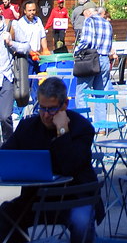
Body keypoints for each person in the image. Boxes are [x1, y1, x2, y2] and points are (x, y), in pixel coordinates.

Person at [0, 76, 103, 243]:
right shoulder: (28, 127)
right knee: (5, 214)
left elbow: (70, 166)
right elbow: (5, 156)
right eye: (42, 108)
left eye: (52, 109)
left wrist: (62, 130)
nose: (46, 115)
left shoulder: (82, 128)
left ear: (65, 105)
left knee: (81, 220)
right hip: (36, 198)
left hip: (76, 197)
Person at [73, 4, 116, 110]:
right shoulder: (107, 23)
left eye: (84, 14)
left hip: (91, 60)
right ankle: (101, 121)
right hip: (104, 59)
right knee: (101, 94)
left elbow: (86, 41)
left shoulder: (89, 21)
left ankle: (83, 120)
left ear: (87, 12)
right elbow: (109, 44)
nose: (84, 17)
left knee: (81, 93)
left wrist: (76, 51)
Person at [11, 0, 49, 103]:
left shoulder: (38, 20)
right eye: (29, 10)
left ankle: (36, 107)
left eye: (33, 10)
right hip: (26, 57)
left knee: (37, 83)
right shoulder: (20, 24)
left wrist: (45, 49)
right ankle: (19, 108)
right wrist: (30, 52)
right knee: (25, 84)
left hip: (37, 56)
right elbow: (19, 43)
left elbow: (43, 36)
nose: (32, 12)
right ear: (24, 11)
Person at [0, 14, 14, 143]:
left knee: (5, 117)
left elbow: (26, 46)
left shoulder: (10, 25)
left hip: (6, 77)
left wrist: (11, 43)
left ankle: (9, 146)